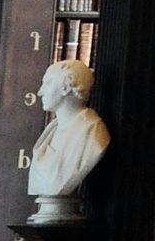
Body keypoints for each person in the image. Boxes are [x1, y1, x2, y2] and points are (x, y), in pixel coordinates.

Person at [27, 60, 110, 223]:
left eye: (47, 84)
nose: (40, 92)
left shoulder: (91, 132)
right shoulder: (52, 130)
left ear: (65, 88)